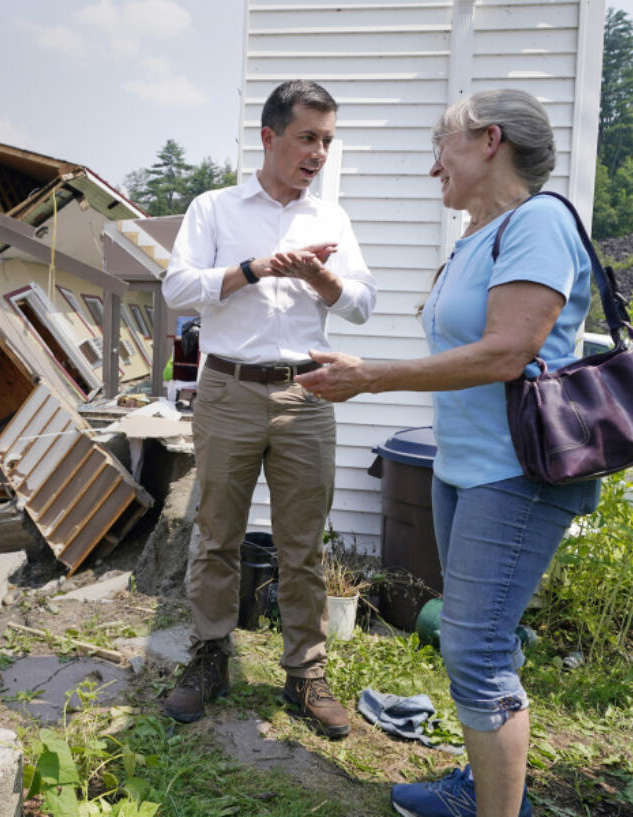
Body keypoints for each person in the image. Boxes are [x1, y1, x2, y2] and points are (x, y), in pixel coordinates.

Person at [297, 88, 601, 817]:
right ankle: (488, 784)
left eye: (445, 143)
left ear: (489, 141)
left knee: (475, 649)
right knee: (479, 639)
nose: (435, 165)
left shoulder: (540, 224)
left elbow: (506, 351)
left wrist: (371, 378)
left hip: (516, 473)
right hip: (462, 466)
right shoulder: (477, 236)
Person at [160, 79, 377, 737]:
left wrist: (322, 278)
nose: (318, 153)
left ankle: (305, 674)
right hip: (227, 390)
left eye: (328, 141)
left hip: (307, 392)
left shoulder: (330, 219)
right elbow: (177, 288)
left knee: (302, 543)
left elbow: (362, 303)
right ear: (269, 136)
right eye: (308, 138)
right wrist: (253, 269)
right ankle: (209, 655)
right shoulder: (215, 209)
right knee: (218, 531)